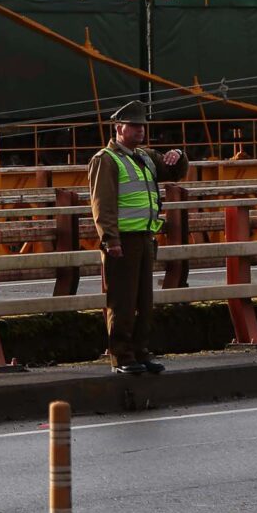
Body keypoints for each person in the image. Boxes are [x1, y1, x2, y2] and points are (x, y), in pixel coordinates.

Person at [87, 101, 190, 375]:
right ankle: (121, 356)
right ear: (119, 128)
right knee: (122, 300)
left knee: (144, 300)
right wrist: (110, 239)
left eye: (142, 126)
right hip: (123, 239)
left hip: (145, 237)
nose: (140, 130)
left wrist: (178, 155)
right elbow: (103, 203)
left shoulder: (144, 157)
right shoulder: (106, 160)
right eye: (134, 126)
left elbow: (175, 172)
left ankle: (141, 351)